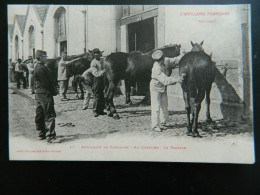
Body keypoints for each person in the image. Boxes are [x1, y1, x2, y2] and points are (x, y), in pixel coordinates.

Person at [150, 50, 183, 132]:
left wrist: (183, 54)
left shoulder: (166, 60)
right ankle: (155, 125)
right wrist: (177, 79)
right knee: (156, 106)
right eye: (159, 60)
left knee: (164, 105)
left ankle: (164, 122)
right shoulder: (156, 68)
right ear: (156, 60)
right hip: (155, 87)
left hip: (163, 87)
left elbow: (175, 60)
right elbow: (165, 80)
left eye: (161, 58)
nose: (161, 60)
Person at [34, 50, 58, 142]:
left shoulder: (38, 67)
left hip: (39, 94)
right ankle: (50, 136)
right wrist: (53, 91)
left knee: (39, 114)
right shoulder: (41, 68)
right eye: (44, 57)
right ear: (40, 57)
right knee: (49, 114)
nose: (46, 58)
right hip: (45, 94)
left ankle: (41, 133)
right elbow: (46, 83)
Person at [90, 48, 106, 117]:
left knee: (102, 95)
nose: (97, 54)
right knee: (97, 95)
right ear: (94, 54)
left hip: (102, 79)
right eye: (95, 53)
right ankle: (95, 110)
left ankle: (101, 110)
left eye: (98, 53)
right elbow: (96, 73)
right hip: (97, 79)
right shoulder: (93, 62)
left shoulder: (102, 60)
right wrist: (104, 71)